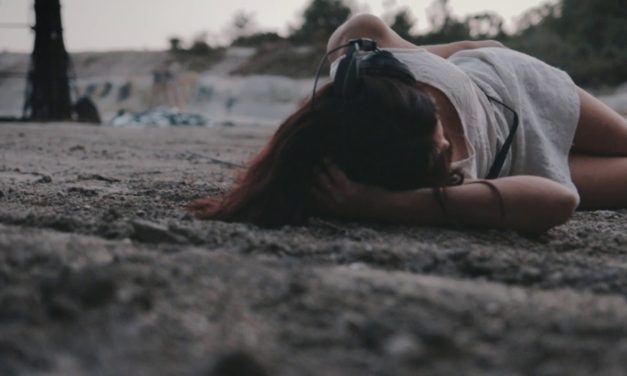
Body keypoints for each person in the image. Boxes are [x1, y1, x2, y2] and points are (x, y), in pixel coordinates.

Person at [190, 14, 627, 233]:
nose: (449, 144)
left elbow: (364, 23)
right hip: (522, 166)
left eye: (432, 117)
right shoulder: (393, 180)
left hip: (517, 86)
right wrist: (384, 206)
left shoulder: (361, 71)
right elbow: (557, 201)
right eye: (445, 152)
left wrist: (472, 48)